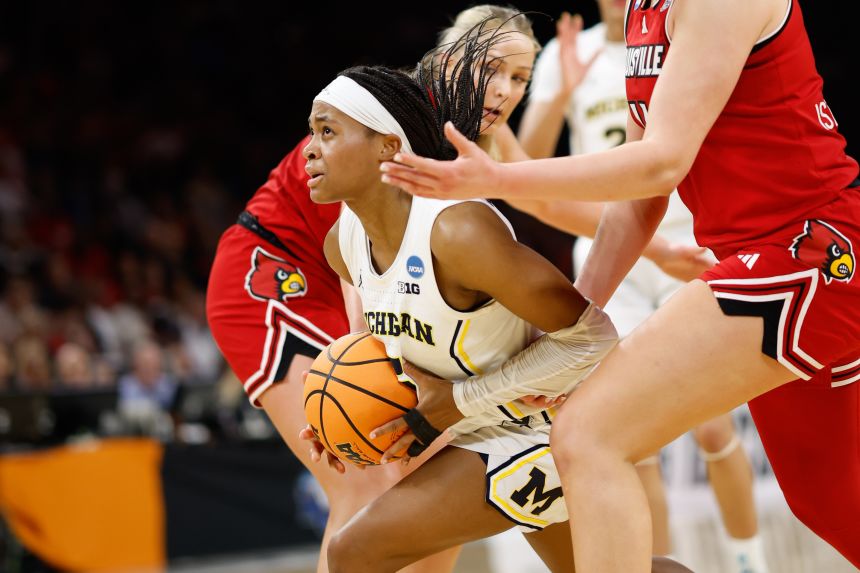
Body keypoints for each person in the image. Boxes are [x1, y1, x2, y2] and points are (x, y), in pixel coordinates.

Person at [377, 0, 860, 571]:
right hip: (768, 260)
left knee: (590, 435)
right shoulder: (642, 11)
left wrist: (498, 176)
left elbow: (661, 164)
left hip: (807, 252)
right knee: (831, 504)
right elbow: (640, 200)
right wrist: (570, 338)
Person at [302, 10, 691, 573]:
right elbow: (378, 352)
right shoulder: (344, 243)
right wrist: (336, 415)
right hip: (485, 421)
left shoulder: (458, 230)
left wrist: (458, 403)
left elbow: (593, 338)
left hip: (553, 420)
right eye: (497, 72)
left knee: (355, 550)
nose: (309, 150)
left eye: (522, 78)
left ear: (389, 146)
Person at [517, 3, 768, 570]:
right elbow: (530, 159)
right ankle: (662, 565)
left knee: (711, 427)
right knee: (631, 442)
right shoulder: (565, 53)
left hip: (690, 238)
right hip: (619, 249)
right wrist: (563, 90)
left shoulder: (685, 22)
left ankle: (750, 560)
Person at [205, 131, 457, 571]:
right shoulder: (398, 118)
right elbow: (354, 231)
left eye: (519, 77)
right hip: (275, 268)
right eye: (494, 68)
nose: (504, 89)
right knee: (363, 481)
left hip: (341, 278)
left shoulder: (489, 143)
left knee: (443, 467)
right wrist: (365, 345)